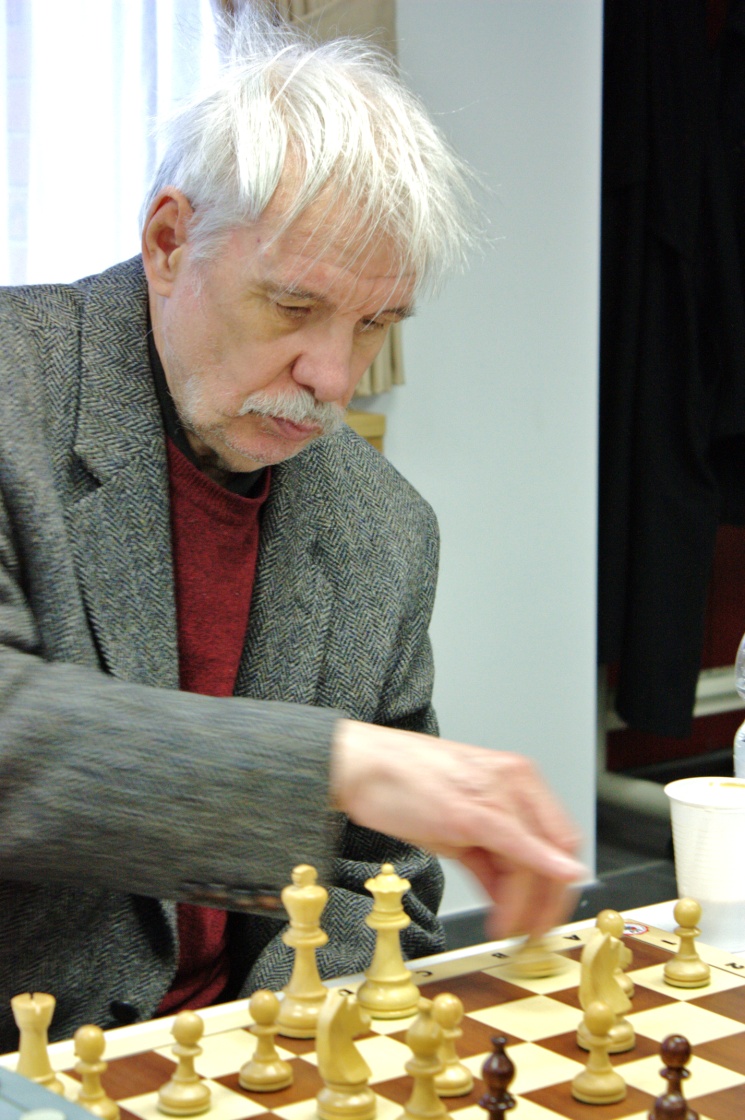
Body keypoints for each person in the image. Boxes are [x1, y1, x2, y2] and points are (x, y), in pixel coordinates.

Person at [0, 11, 585, 1051]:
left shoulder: (381, 525)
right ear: (169, 242)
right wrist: (334, 763)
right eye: (292, 306)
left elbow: (372, 876)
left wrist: (304, 1054)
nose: (334, 377)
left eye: (375, 323)